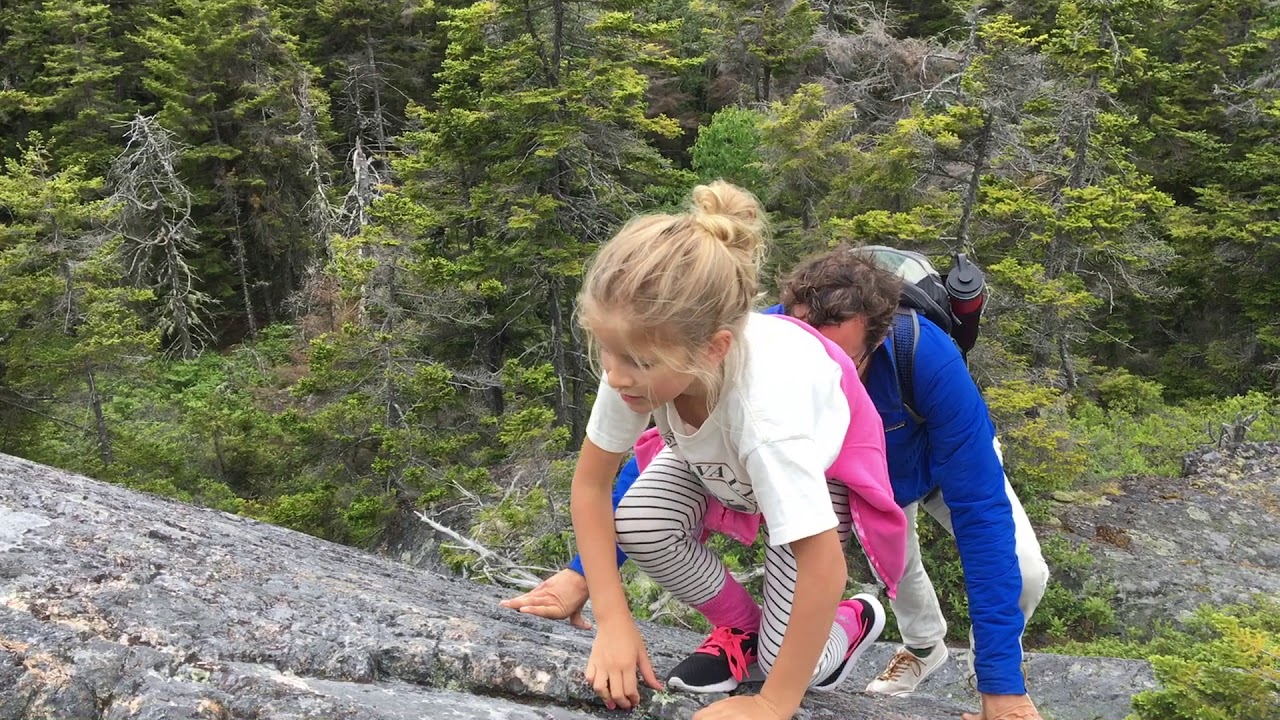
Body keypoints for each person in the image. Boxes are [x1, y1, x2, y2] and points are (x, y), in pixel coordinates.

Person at [504, 245, 1051, 720]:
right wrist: (583, 577)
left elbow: (980, 508)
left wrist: (1001, 688)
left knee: (1023, 571)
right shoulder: (736, 344)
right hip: (827, 466)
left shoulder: (926, 358)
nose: (822, 360)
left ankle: (933, 646)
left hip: (923, 466)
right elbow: (657, 455)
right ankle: (921, 647)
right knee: (900, 571)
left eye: (842, 356)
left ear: (878, 339)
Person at [564, 181, 907, 720]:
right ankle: (743, 630)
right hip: (717, 453)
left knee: (786, 665)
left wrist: (771, 704)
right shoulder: (640, 361)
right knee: (641, 521)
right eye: (606, 349)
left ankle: (851, 621)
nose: (615, 374)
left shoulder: (765, 416)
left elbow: (822, 565)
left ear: (713, 348)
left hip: (814, 472)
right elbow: (591, 487)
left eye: (634, 361)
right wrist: (613, 621)